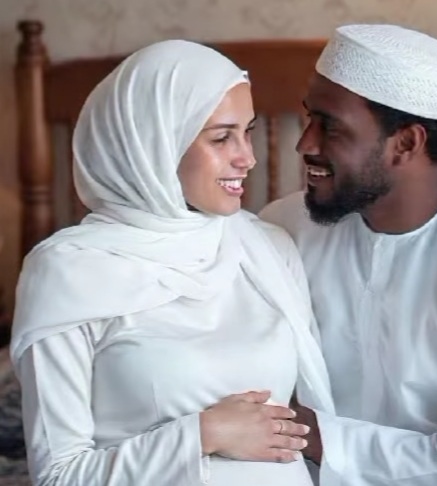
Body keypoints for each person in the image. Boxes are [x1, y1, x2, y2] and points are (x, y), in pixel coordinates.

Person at [9, 40, 335, 486]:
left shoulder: (267, 247)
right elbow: (58, 476)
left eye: (248, 132)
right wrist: (204, 433)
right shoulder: (69, 272)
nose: (248, 157)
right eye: (221, 138)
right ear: (154, 145)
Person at [260, 24, 437, 486]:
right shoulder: (283, 228)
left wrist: (306, 434)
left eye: (330, 126)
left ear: (406, 143)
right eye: (309, 118)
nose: (304, 143)